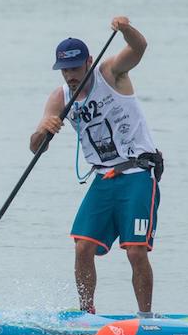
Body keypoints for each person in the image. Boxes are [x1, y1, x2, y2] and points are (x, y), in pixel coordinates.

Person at [30, 17, 163, 317]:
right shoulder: (59, 97)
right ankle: (86, 313)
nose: (71, 76)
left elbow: (139, 48)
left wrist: (126, 29)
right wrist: (43, 131)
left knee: (135, 251)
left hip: (137, 175)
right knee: (82, 247)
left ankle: (146, 319)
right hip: (103, 179)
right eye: (65, 70)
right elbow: (36, 147)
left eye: (76, 68)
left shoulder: (111, 73)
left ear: (89, 61)